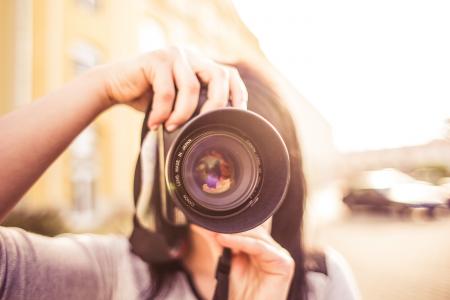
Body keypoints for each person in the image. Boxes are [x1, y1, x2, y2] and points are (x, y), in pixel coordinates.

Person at [0, 47, 359, 300]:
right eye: (201, 156)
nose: (216, 177)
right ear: (164, 166)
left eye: (241, 159)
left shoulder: (321, 282)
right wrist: (101, 87)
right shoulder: (115, 274)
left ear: (282, 173)